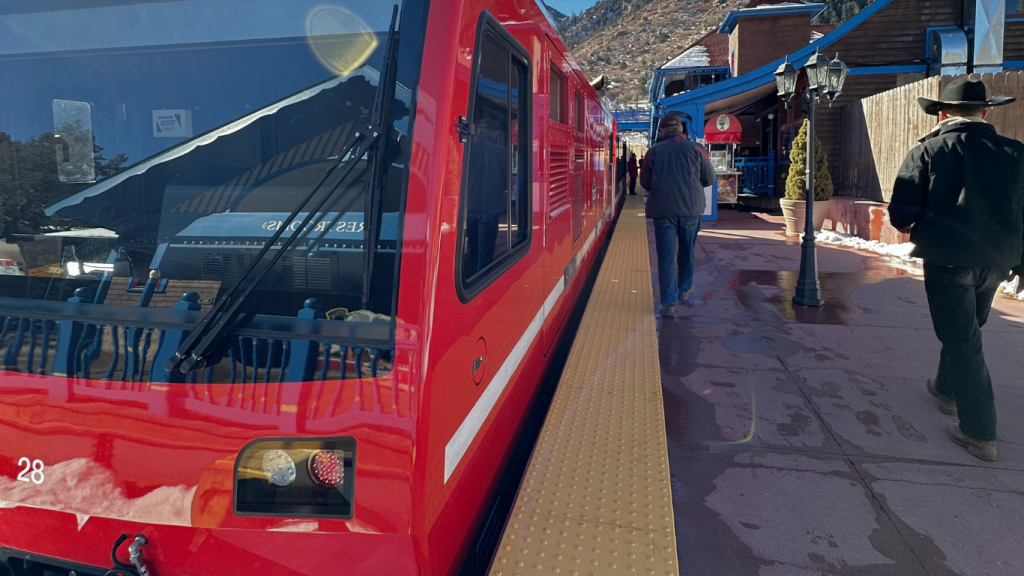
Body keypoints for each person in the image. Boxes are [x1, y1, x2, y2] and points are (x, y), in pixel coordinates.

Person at [889, 77, 1024, 462]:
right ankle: (947, 391)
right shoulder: (1017, 153)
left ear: (943, 113)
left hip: (948, 257)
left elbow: (901, 214)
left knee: (963, 339)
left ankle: (979, 430)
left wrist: (915, 222)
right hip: (997, 260)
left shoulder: (930, 150)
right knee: (967, 329)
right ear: (984, 112)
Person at [641, 114, 715, 319]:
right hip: (691, 209)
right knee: (686, 251)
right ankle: (684, 289)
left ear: (663, 131)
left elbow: (645, 183)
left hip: (663, 210)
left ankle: (668, 304)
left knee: (665, 257)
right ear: (681, 130)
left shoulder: (654, 151)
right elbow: (709, 179)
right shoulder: (697, 149)